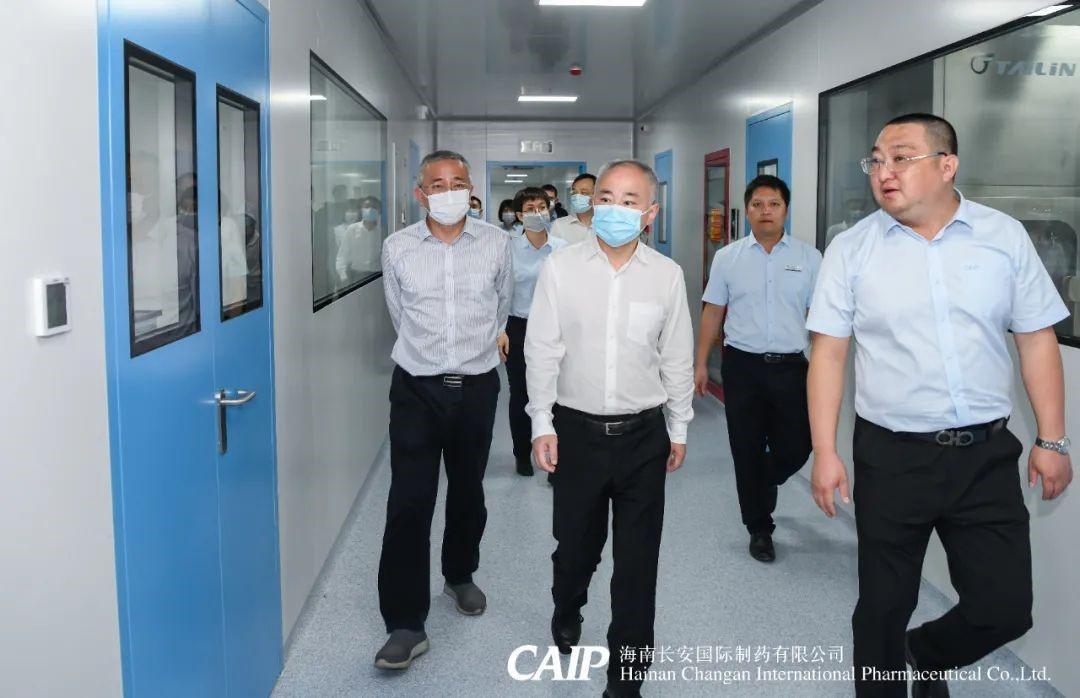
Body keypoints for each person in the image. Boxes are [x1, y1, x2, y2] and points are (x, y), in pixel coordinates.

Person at [807, 113, 1072, 697]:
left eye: (901, 157)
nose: (884, 172)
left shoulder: (1002, 237)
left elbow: (1036, 338)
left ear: (947, 165)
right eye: (876, 160)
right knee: (883, 608)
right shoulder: (852, 250)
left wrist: (1052, 438)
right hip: (891, 456)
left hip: (985, 456)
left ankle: (926, 653)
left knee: (1004, 608)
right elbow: (828, 354)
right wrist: (824, 451)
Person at [526, 159, 694, 698]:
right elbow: (542, 349)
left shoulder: (666, 275)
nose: (614, 208)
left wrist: (679, 427)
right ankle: (567, 605)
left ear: (650, 213)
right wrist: (541, 422)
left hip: (644, 436)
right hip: (576, 433)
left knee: (638, 564)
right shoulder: (561, 268)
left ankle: (626, 679)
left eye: (629, 200)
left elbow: (677, 356)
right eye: (605, 197)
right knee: (577, 547)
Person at [375, 150, 513, 671]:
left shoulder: (496, 243)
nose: (448, 191)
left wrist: (468, 353)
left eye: (458, 182)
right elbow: (399, 314)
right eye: (437, 184)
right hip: (416, 388)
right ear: (421, 194)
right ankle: (405, 622)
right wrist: (432, 357)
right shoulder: (398, 247)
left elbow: (501, 307)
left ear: (471, 189)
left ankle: (459, 574)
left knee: (468, 489)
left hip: (477, 386)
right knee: (409, 500)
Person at [694, 175, 820, 563]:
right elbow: (713, 311)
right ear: (747, 210)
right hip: (743, 367)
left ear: (785, 210)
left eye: (774, 204)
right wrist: (700, 363)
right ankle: (759, 528)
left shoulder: (810, 258)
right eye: (758, 204)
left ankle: (765, 477)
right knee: (745, 446)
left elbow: (820, 317)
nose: (766, 211)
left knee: (800, 444)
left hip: (791, 367)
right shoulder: (728, 257)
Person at [497, 187, 569, 477]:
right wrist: (500, 329)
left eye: (542, 206)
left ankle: (555, 459)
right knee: (522, 393)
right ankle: (522, 454)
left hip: (557, 327)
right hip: (518, 325)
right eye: (529, 208)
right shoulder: (508, 248)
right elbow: (499, 292)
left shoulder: (563, 249)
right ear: (518, 215)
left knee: (558, 393)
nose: (537, 212)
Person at [335, 196, 383, 283]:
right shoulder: (352, 229)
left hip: (378, 276)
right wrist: (343, 277)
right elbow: (342, 256)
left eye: (374, 207)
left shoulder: (382, 232)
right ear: (361, 210)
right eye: (367, 207)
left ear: (379, 211)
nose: (370, 210)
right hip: (357, 277)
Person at [550, 172, 596, 245]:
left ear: (596, 195)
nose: (577, 196)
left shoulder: (607, 225)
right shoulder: (560, 225)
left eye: (584, 192)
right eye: (574, 193)